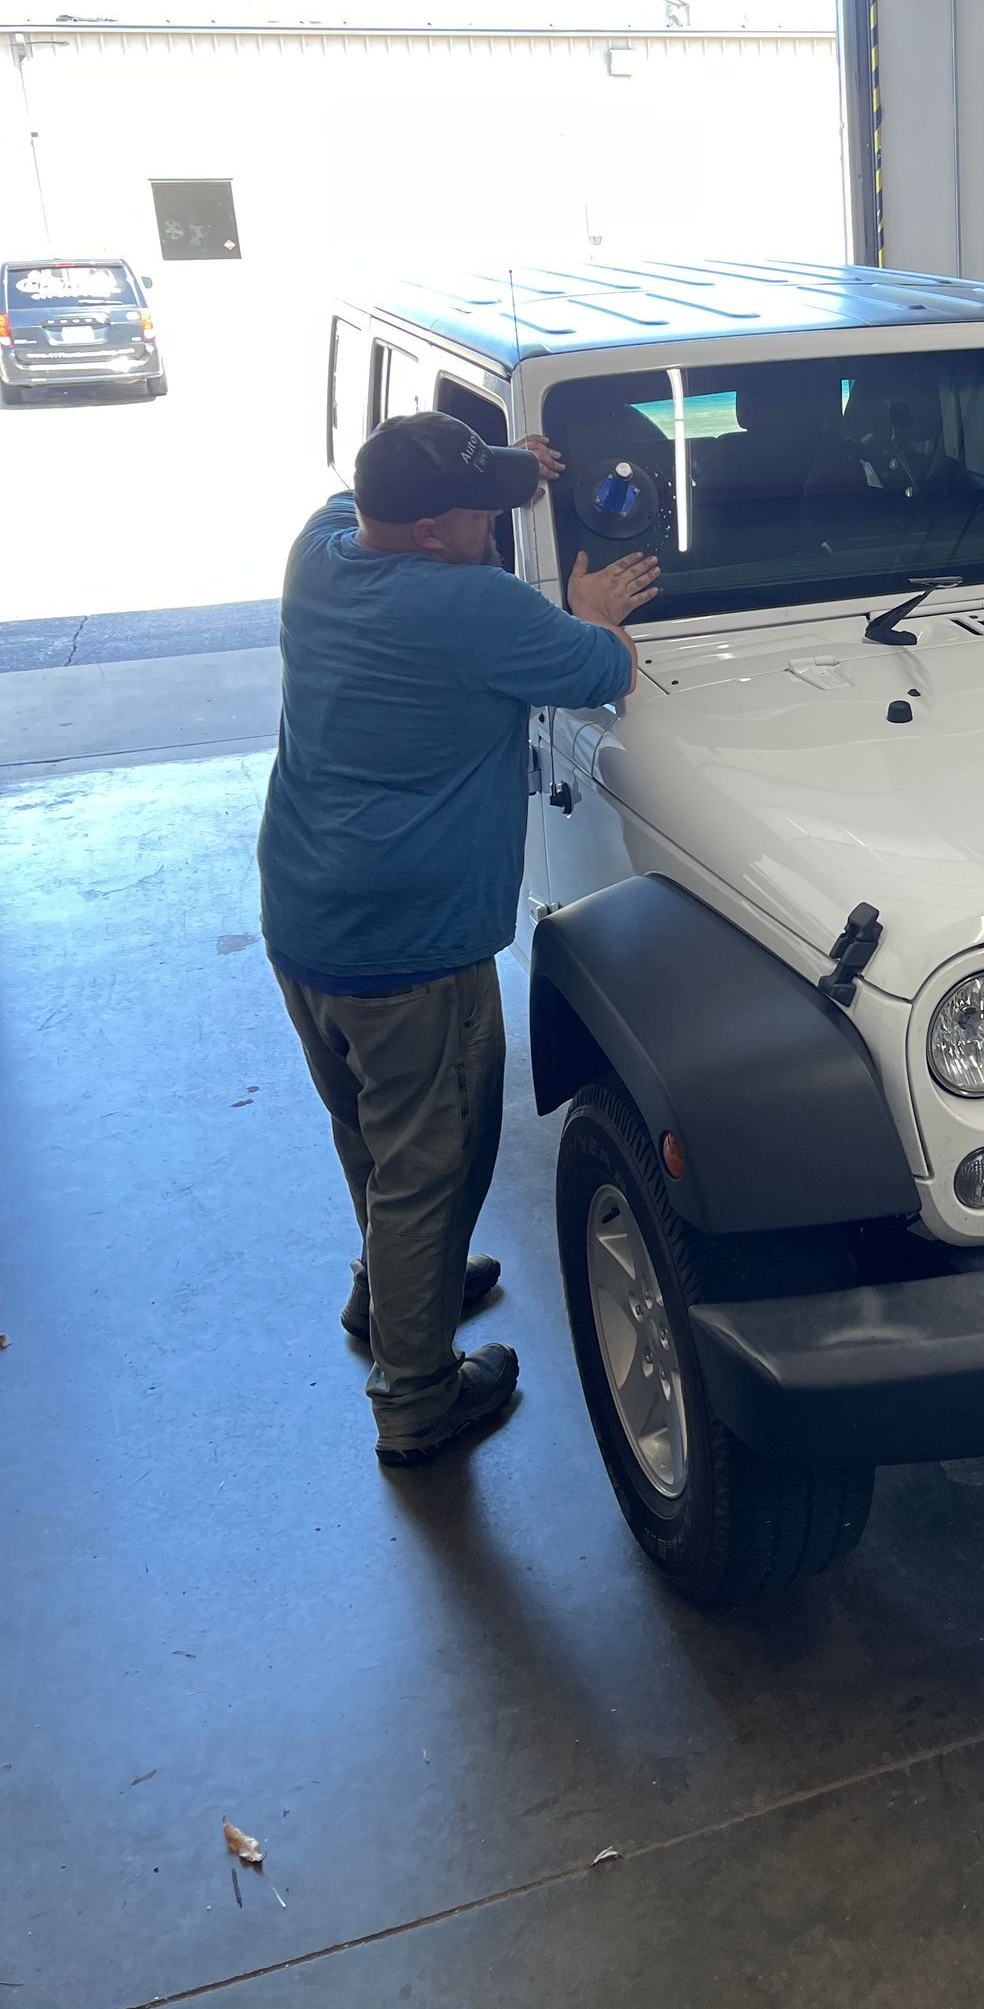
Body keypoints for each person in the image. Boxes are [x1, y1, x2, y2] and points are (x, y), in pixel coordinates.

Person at [257, 411, 659, 1466]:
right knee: (434, 1161)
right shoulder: (472, 607)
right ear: (435, 530)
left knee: (371, 1131)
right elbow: (602, 670)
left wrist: (520, 471)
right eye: (482, 509)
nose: (501, 518)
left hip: (304, 917)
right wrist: (593, 608)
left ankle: (388, 1294)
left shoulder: (320, 550)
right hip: (412, 952)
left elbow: (366, 498)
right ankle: (419, 1397)